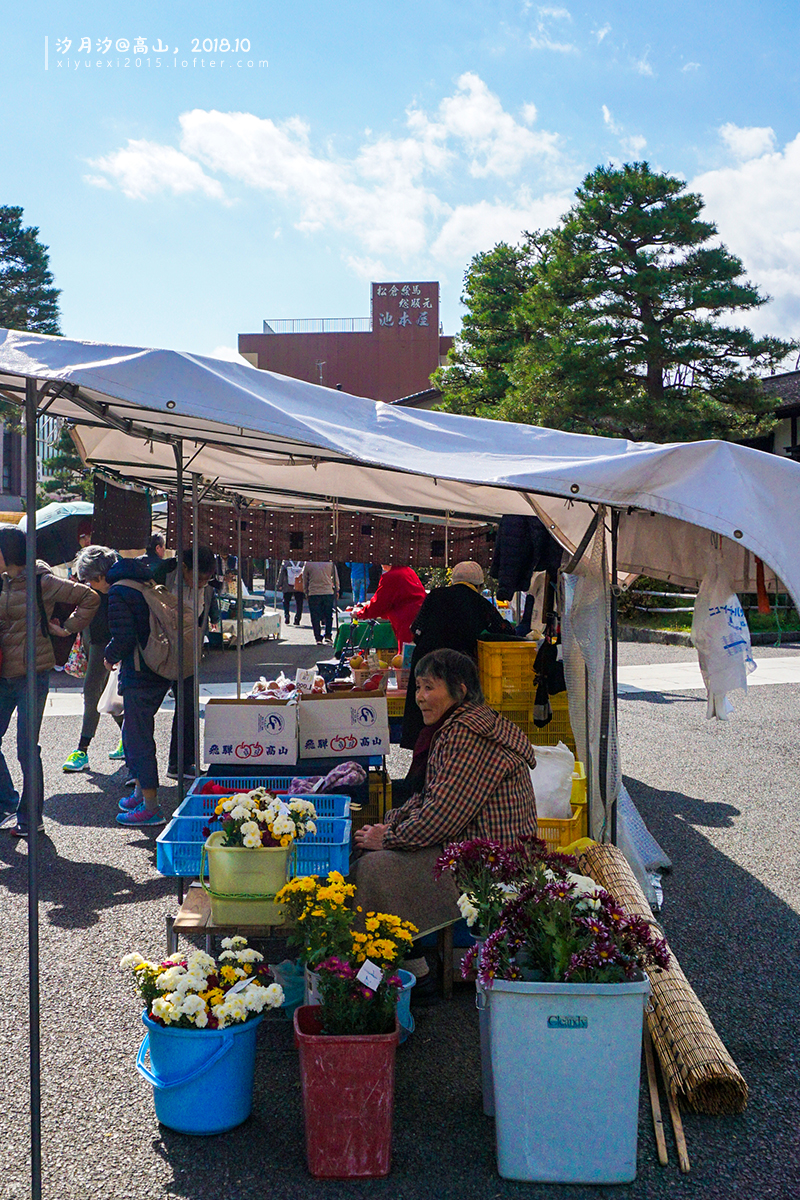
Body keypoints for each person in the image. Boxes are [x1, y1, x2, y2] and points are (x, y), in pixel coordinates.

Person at [353, 648, 537, 991]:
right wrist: (391, 825)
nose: (420, 698)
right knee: (374, 851)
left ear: (460, 690)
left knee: (376, 867)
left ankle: (414, 973)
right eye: (419, 688)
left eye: (430, 688)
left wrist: (389, 837)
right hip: (469, 846)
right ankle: (403, 959)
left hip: (491, 864)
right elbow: (432, 796)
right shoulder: (461, 725)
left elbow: (441, 818)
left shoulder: (468, 735)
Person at [0, 524, 99, 837]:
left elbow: (89, 597)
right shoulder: (2, 582)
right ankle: (6, 802)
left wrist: (67, 627)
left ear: (8, 553)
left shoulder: (41, 581)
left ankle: (31, 818)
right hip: (2, 675)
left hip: (32, 674)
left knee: (26, 748)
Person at [400, 560, 512, 751]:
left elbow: (415, 629)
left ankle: (421, 759)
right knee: (452, 714)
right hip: (456, 668)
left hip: (426, 661)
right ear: (479, 585)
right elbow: (503, 630)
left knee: (424, 713)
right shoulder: (481, 603)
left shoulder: (435, 595)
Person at [62, 545, 125, 773]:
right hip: (93, 643)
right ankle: (127, 740)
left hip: (109, 647)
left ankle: (82, 749)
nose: (89, 584)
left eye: (92, 580)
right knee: (109, 699)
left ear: (102, 576)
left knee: (95, 693)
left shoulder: (121, 589)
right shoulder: (92, 590)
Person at [166, 545, 218, 780]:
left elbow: (202, 618)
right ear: (184, 568)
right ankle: (138, 771)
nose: (201, 584)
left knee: (187, 706)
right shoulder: (163, 577)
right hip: (159, 649)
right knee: (144, 711)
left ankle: (182, 763)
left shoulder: (206, 591)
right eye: (198, 578)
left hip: (187, 651)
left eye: (207, 580)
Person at [352, 563, 426, 653]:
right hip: (418, 620)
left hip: (406, 623)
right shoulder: (408, 570)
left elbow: (379, 605)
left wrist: (359, 613)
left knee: (406, 657)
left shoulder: (392, 576)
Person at [301, 561, 339, 645]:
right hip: (327, 591)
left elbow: (305, 578)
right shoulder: (330, 563)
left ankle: (318, 637)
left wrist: (306, 591)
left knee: (315, 616)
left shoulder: (308, 563)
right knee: (328, 615)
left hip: (314, 592)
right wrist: (337, 589)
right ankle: (328, 635)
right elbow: (335, 577)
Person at [277, 559, 305, 625]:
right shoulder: (302, 562)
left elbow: (281, 573)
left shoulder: (286, 562)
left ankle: (287, 615)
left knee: (286, 601)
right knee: (299, 602)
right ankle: (297, 619)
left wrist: (279, 584)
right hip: (298, 585)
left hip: (287, 585)